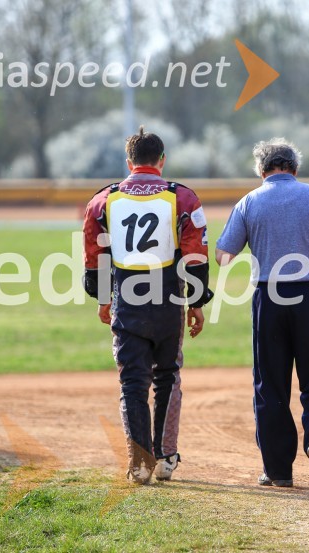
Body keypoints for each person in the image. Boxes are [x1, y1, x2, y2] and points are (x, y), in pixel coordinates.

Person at [215, 138, 309, 488]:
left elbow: (224, 255)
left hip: (268, 298)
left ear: (261, 171)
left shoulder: (249, 201)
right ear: (295, 169)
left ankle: (277, 470)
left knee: (270, 384)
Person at [82, 126, 213, 484]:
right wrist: (197, 302)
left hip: (128, 299)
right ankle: (166, 457)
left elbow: (95, 255)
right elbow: (196, 256)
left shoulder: (103, 200)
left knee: (132, 384)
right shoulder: (182, 198)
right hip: (169, 298)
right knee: (168, 376)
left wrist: (103, 299)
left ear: (129, 162)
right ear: (162, 160)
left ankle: (139, 462)